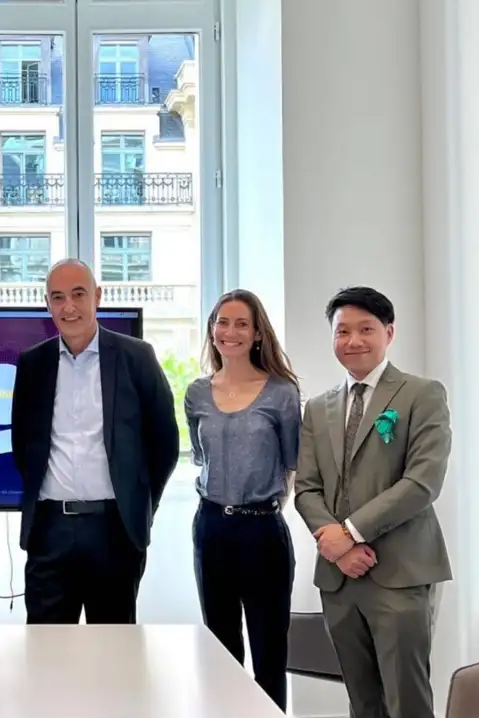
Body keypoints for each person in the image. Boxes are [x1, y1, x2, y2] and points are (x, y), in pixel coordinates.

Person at [294, 286, 452, 718]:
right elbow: (306, 488)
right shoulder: (319, 408)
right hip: (339, 577)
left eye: (366, 329)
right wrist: (337, 549)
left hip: (400, 571)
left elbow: (422, 482)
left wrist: (348, 534)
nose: (353, 340)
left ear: (389, 333)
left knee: (407, 700)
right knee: (362, 701)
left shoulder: (422, 394)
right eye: (342, 331)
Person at [11, 258, 179, 624]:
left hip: (114, 530)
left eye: (78, 294)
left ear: (97, 296)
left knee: (114, 646)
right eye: (58, 297)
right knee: (46, 646)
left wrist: (138, 506)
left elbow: (164, 443)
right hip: (50, 530)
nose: (68, 306)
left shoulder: (137, 357)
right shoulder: (33, 363)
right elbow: (24, 445)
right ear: (47, 303)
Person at [183, 289, 300, 710]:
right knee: (220, 651)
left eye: (241, 324)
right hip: (211, 527)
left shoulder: (282, 393)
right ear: (212, 329)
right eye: (222, 322)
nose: (230, 332)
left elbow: (292, 463)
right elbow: (201, 457)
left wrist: (263, 505)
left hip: (262, 530)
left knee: (269, 653)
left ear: (257, 334)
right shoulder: (197, 393)